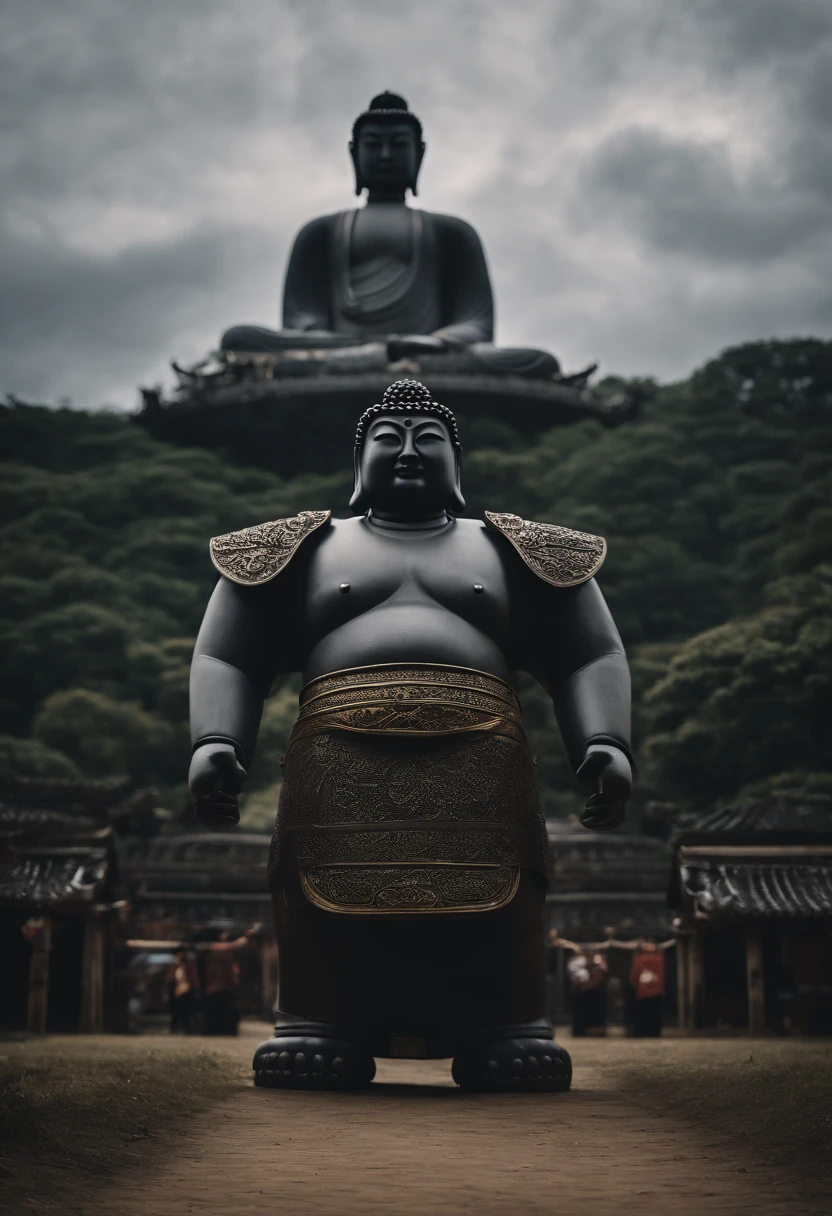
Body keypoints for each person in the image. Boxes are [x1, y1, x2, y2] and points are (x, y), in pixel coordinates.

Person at [188, 377, 634, 1091]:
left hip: (482, 758)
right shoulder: (299, 547)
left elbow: (590, 654)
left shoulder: (516, 547)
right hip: (337, 763)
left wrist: (604, 743)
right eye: (387, 438)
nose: (407, 450)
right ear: (356, 460)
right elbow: (226, 654)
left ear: (459, 464)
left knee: (495, 904)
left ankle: (504, 1025)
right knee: (327, 906)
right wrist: (216, 742)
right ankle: (319, 1020)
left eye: (428, 439)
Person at [219, 93, 563, 380]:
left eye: (398, 145)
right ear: (355, 155)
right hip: (341, 349)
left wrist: (435, 342)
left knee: (538, 361)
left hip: (427, 352)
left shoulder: (452, 232)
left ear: (420, 155)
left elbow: (476, 324)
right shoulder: (320, 232)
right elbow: (301, 322)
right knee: (239, 340)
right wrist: (342, 343)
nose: (385, 155)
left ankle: (381, 357)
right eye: (373, 145)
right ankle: (376, 355)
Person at [201, 925, 260, 1036]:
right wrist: (247, 936)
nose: (226, 934)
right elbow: (234, 946)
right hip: (216, 990)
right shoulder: (215, 948)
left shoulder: (223, 950)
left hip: (226, 989)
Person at [568, 950, 609, 1037]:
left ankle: (594, 1030)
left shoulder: (599, 961)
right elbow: (575, 979)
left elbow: (601, 976)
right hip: (580, 993)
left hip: (593, 992)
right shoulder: (576, 963)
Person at [631, 938, 666, 1037]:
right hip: (645, 991)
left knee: (651, 1012)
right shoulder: (641, 958)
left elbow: (661, 973)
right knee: (646, 1012)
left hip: (652, 990)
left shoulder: (657, 958)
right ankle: (647, 1031)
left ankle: (650, 1031)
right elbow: (636, 973)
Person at [167, 950, 198, 1034]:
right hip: (177, 991)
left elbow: (193, 979)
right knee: (176, 1012)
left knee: (186, 1013)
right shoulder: (173, 967)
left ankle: (187, 1029)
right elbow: (170, 979)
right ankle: (175, 1029)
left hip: (186, 990)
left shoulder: (189, 967)